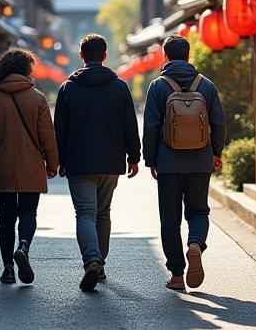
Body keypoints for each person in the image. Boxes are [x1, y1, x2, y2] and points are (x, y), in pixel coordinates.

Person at [54, 33, 141, 291]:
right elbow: (129, 124)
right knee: (103, 212)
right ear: (104, 56)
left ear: (81, 55)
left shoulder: (68, 88)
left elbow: (60, 129)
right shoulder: (119, 87)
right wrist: (134, 156)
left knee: (85, 213)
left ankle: (92, 260)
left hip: (78, 162)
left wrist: (57, 160)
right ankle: (99, 263)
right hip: (110, 160)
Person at [142, 34, 226, 292]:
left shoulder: (158, 86)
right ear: (188, 56)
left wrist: (151, 159)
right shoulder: (207, 86)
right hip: (200, 160)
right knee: (198, 211)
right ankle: (196, 244)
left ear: (165, 56)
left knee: (170, 218)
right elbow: (218, 123)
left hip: (168, 163)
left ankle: (177, 275)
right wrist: (216, 152)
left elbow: (152, 126)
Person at [0, 48, 59, 285]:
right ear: (27, 70)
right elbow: (47, 135)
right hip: (31, 164)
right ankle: (23, 246)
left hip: (2, 165)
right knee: (27, 213)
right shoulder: (37, 98)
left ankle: (7, 268)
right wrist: (52, 163)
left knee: (5, 217)